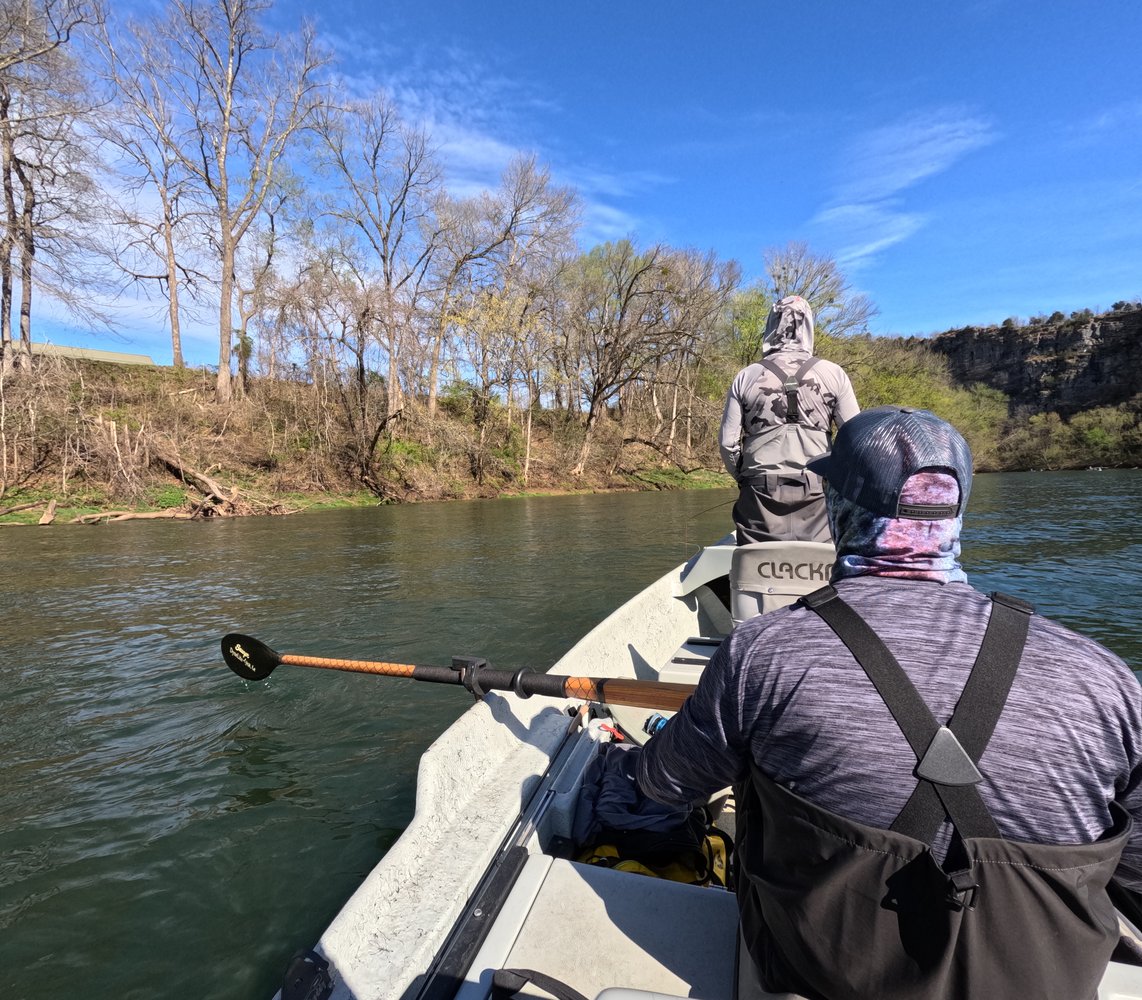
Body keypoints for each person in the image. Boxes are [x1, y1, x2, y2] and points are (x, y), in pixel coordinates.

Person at [638, 405, 1142, 1000]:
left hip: (816, 972)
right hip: (1039, 980)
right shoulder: (1104, 679)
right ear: (958, 511)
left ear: (836, 508)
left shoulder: (762, 652)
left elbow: (665, 783)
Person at [719, 294, 859, 545]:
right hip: (818, 492)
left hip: (758, 492)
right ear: (808, 326)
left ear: (772, 324)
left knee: (756, 564)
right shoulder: (834, 374)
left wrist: (743, 477)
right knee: (819, 569)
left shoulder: (746, 376)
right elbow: (856, 440)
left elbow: (728, 444)